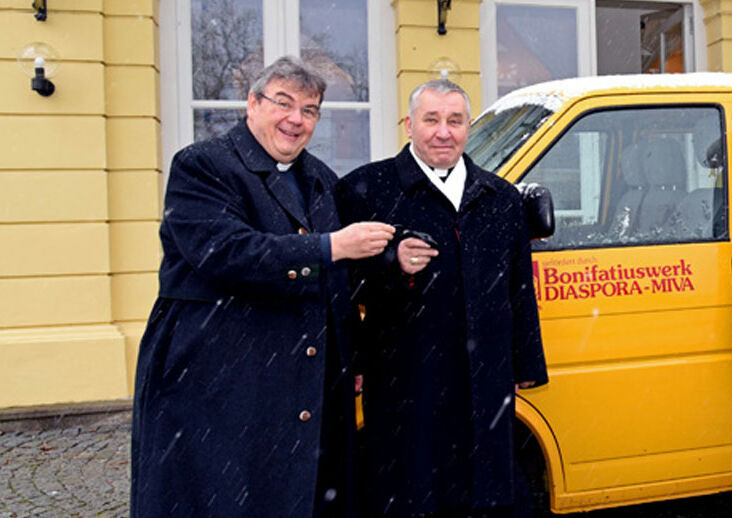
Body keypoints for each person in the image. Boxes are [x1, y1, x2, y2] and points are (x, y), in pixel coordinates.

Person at [131, 56, 403, 517]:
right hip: (216, 379)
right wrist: (330, 247)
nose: (296, 119)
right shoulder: (202, 166)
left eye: (310, 110)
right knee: (221, 497)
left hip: (300, 383)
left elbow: (338, 280)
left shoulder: (318, 178)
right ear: (252, 105)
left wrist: (353, 351)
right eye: (284, 103)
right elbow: (226, 253)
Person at [335, 79, 548, 518]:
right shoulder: (365, 190)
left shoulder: (500, 197)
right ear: (409, 124)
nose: (443, 132)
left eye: (455, 121)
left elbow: (519, 288)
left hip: (484, 376)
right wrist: (390, 266)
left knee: (486, 488)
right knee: (410, 489)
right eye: (431, 119)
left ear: (469, 127)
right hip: (404, 373)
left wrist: (526, 363)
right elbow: (338, 283)